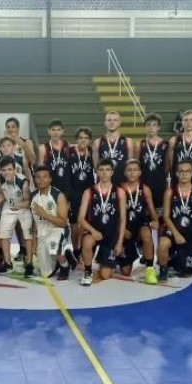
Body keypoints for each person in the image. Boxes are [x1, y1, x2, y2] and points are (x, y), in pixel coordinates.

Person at [77, 159, 126, 286]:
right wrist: (93, 231)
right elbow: (80, 218)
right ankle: (88, 271)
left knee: (105, 275)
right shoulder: (89, 192)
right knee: (87, 242)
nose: (104, 173)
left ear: (112, 172)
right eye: (101, 170)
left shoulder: (119, 192)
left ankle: (101, 259)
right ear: (97, 172)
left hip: (111, 234)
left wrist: (119, 242)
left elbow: (122, 219)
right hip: (95, 231)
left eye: (107, 170)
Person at [157, 160, 192, 282]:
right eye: (181, 171)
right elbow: (166, 216)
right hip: (173, 230)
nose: (184, 174)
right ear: (176, 173)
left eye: (187, 171)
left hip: (191, 232)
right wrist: (176, 234)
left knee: (187, 273)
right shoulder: (170, 192)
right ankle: (163, 269)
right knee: (163, 243)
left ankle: (175, 258)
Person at [120, 160, 159, 284]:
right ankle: (122, 257)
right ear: (125, 172)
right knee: (126, 271)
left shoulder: (145, 189)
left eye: (135, 170)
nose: (132, 173)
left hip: (141, 224)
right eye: (129, 170)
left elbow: (151, 208)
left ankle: (149, 269)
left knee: (147, 235)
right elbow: (114, 213)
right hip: (126, 228)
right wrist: (121, 230)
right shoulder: (119, 189)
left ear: (140, 173)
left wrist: (156, 220)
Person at [30, 165, 72, 281]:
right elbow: (34, 222)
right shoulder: (33, 196)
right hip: (41, 232)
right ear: (35, 179)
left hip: (57, 230)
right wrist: (34, 241)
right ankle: (63, 256)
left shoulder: (59, 195)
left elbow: (63, 223)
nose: (41, 179)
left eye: (44, 177)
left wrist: (44, 214)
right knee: (45, 274)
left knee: (52, 248)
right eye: (38, 177)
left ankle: (65, 266)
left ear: (50, 179)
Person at [0, 156, 34, 276]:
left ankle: (29, 263)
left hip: (23, 207)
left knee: (28, 235)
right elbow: (3, 194)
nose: (6, 172)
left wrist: (19, 206)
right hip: (9, 206)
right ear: (0, 170)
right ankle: (7, 264)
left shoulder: (23, 182)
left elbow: (28, 201)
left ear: (15, 169)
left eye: (9, 169)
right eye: (4, 170)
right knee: (4, 235)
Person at [135, 113, 169, 225]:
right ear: (145, 126)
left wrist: (162, 178)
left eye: (154, 125)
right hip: (144, 181)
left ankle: (159, 237)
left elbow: (167, 166)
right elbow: (136, 165)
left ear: (158, 127)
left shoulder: (165, 144)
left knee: (159, 213)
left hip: (159, 182)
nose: (151, 127)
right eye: (148, 125)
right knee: (144, 212)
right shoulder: (140, 143)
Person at [67, 127, 96, 256]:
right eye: (80, 138)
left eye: (86, 138)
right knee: (74, 224)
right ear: (76, 139)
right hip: (74, 192)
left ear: (90, 140)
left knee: (85, 222)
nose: (83, 140)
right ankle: (75, 250)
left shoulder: (93, 152)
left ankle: (84, 249)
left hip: (89, 192)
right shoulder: (69, 152)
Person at [93, 111, 132, 186]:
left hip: (123, 184)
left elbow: (130, 167)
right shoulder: (97, 142)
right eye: (109, 120)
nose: (112, 122)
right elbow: (96, 168)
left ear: (119, 122)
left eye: (115, 120)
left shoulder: (128, 142)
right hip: (104, 185)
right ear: (105, 122)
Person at [38, 119, 71, 196]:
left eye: (58, 130)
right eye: (53, 130)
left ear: (62, 131)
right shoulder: (43, 148)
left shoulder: (67, 146)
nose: (56, 133)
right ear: (49, 131)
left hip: (66, 185)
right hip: (51, 186)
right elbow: (40, 171)